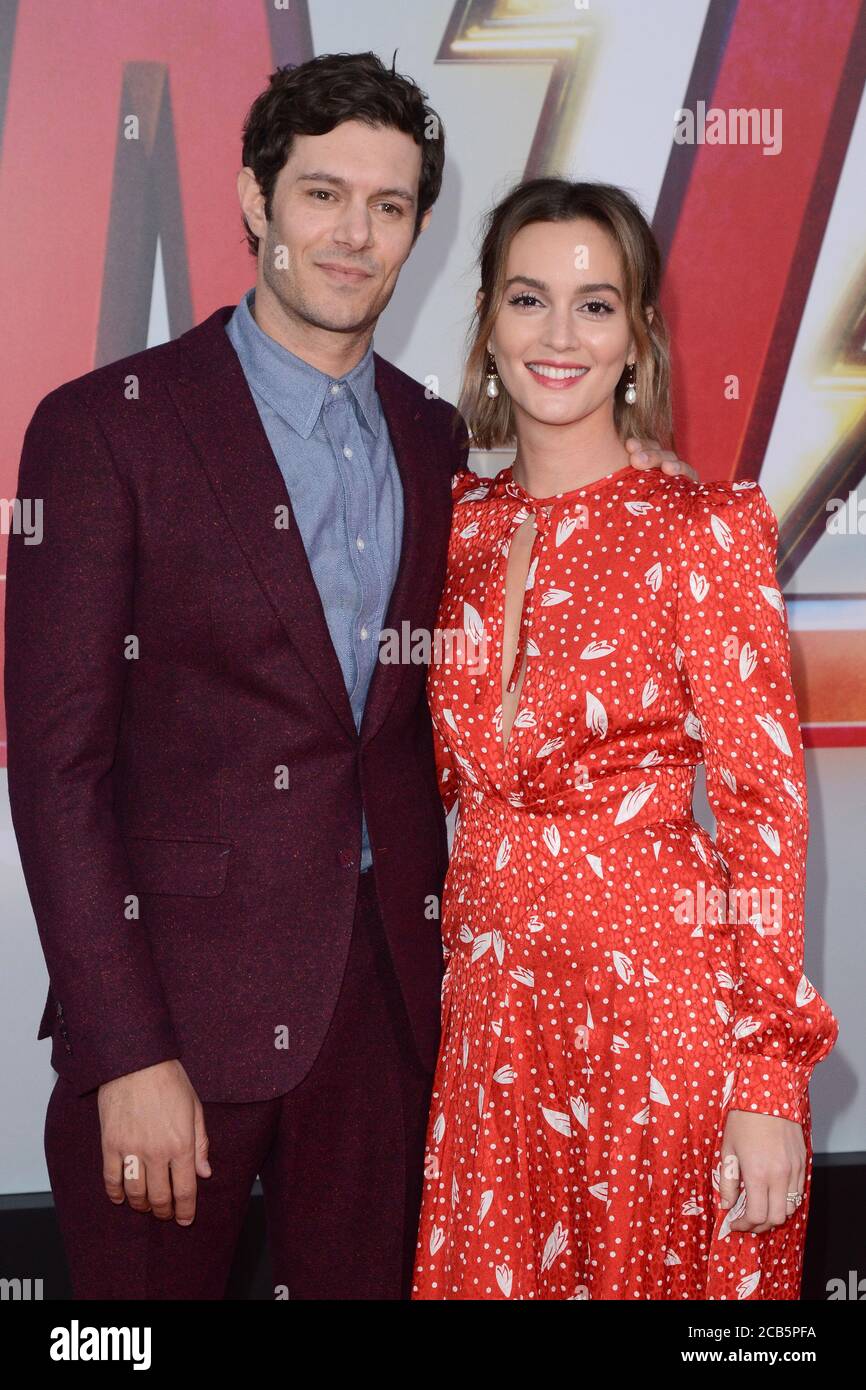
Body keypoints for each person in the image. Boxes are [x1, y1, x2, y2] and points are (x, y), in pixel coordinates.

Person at [5, 55, 692, 1301]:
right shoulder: (107, 425)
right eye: (322, 194)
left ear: (419, 229)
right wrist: (124, 1050)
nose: (353, 232)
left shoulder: (439, 442)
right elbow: (57, 768)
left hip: (393, 1022)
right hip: (178, 1029)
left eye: (387, 205)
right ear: (254, 202)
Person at [411, 178, 840, 1300]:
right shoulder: (452, 526)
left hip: (659, 1033)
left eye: (594, 305)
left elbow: (760, 814)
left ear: (637, 336)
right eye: (527, 299)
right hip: (493, 1038)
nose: (559, 335)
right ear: (488, 328)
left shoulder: (701, 531)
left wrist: (764, 1080)